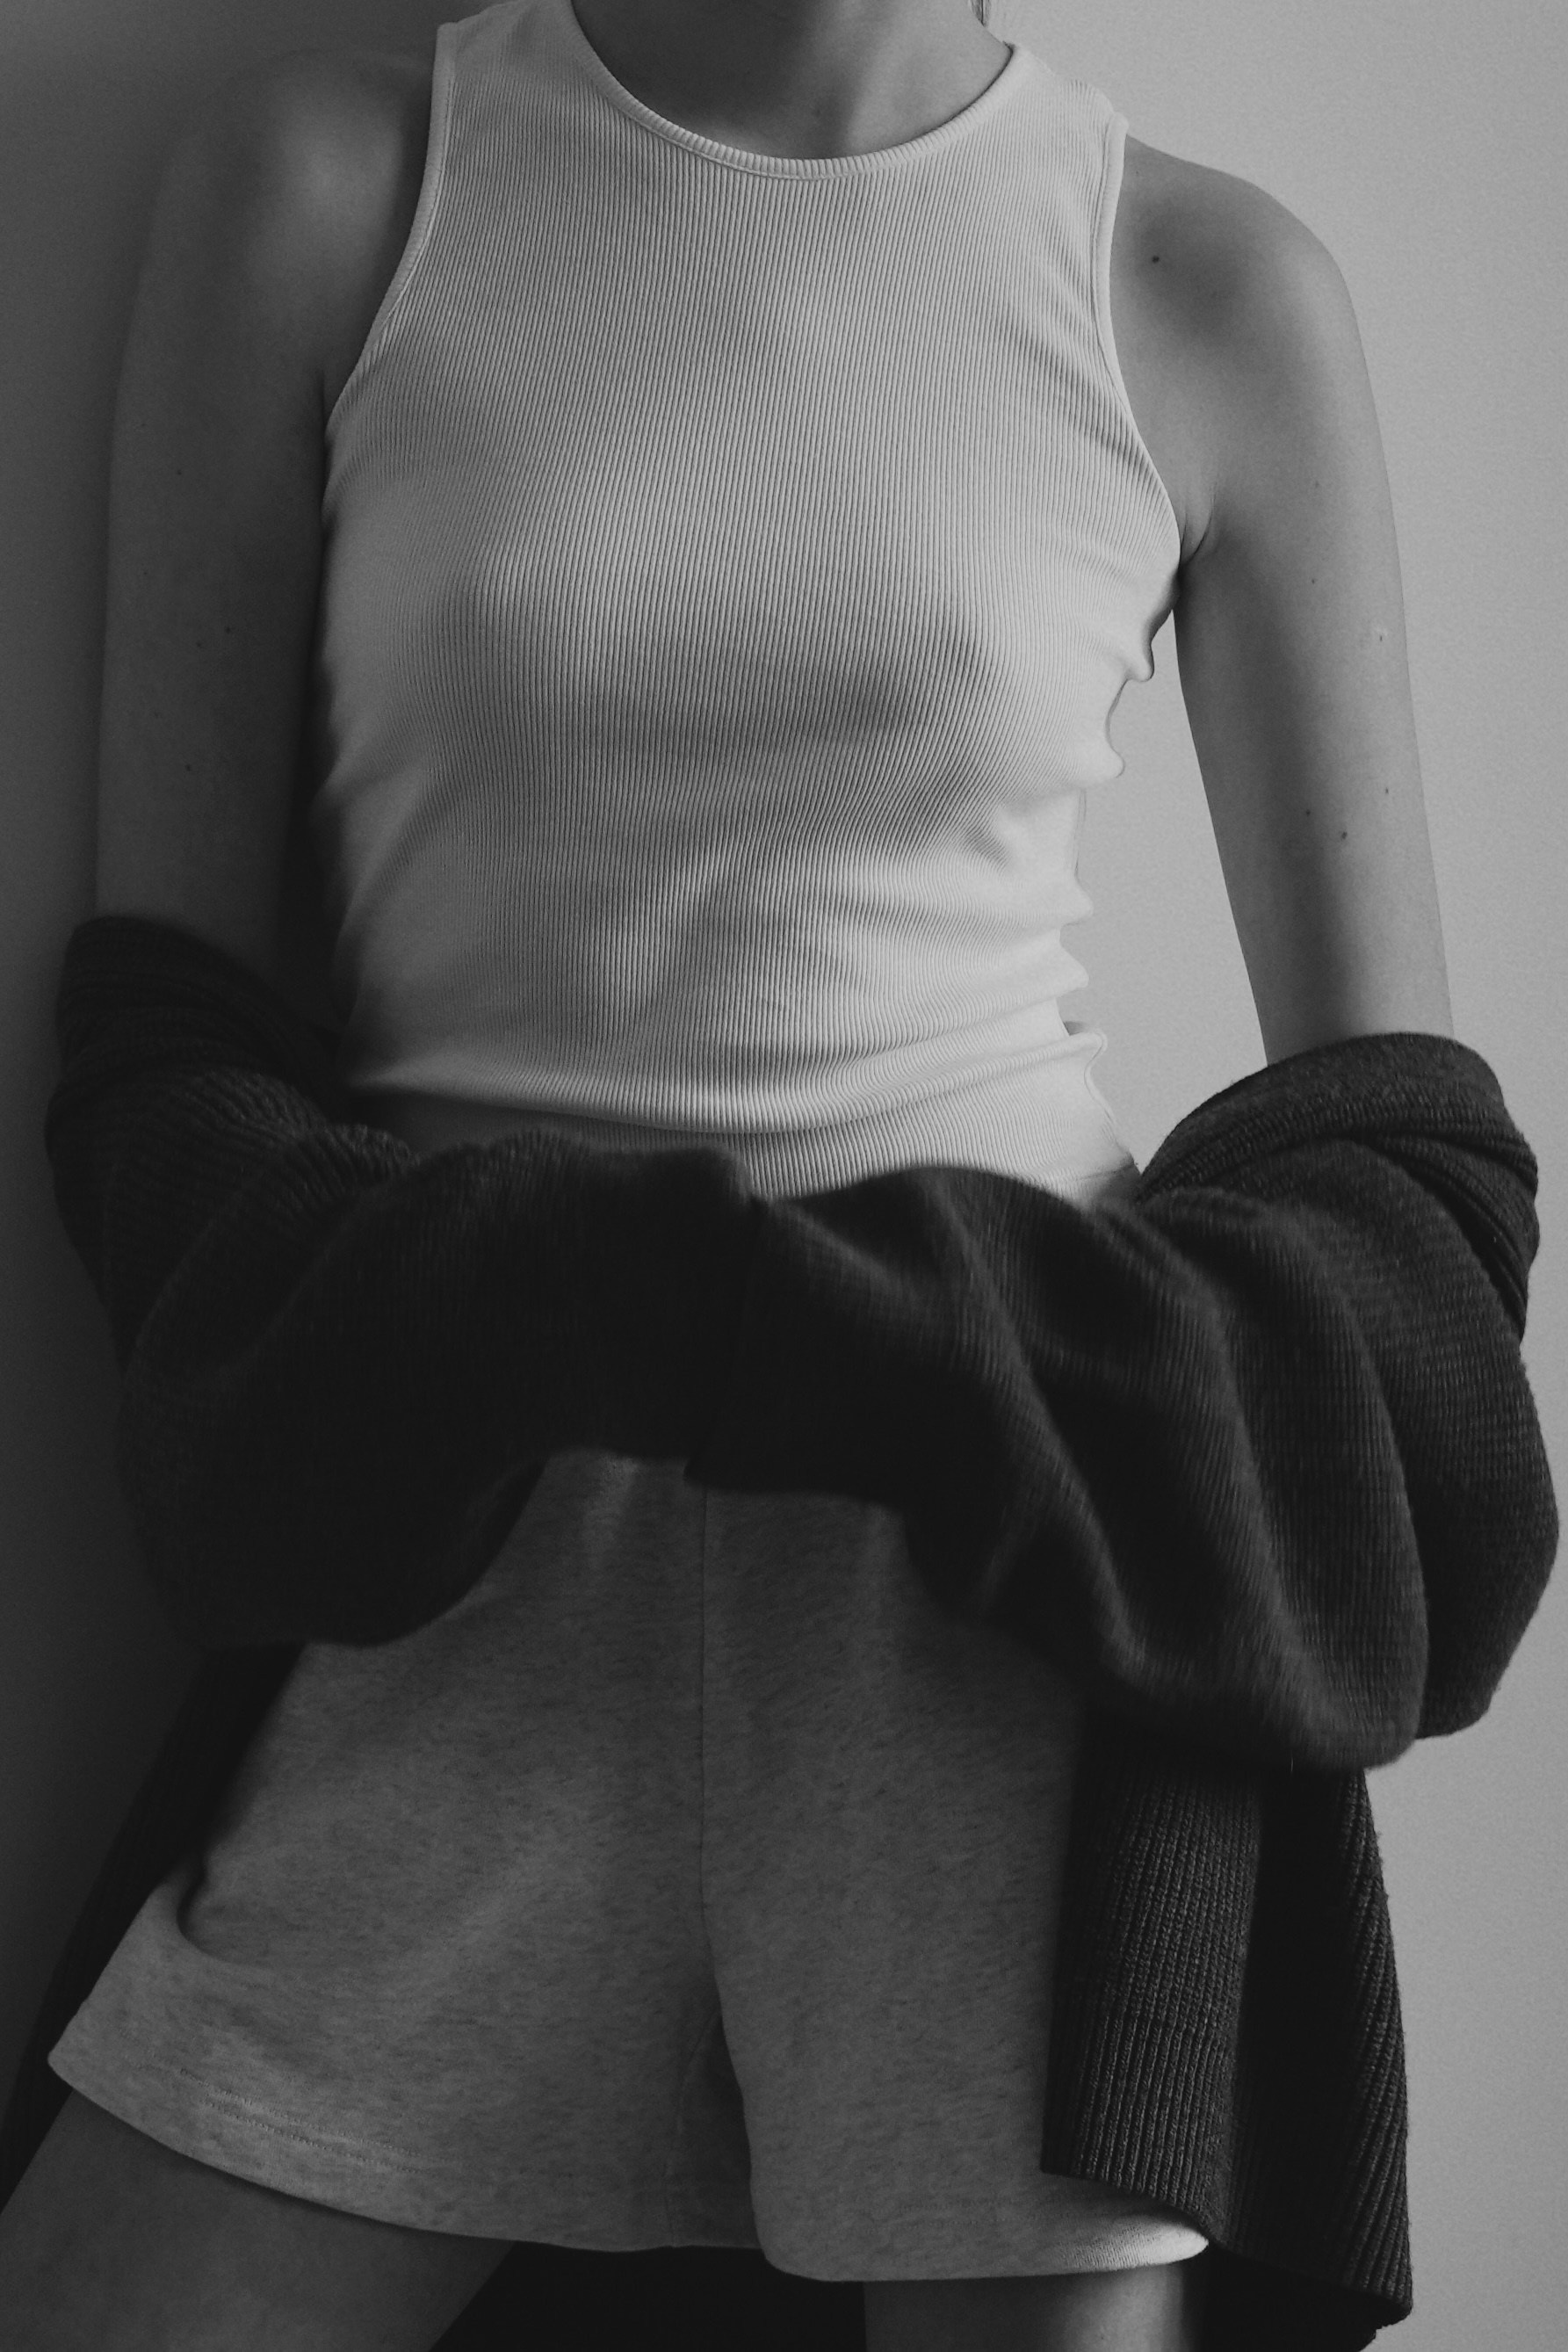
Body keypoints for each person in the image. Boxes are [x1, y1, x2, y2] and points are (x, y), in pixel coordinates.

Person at [0, 0, 1454, 2345]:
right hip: (472, 1544)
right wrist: (504, 1314)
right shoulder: (335, 179)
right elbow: (167, 1041)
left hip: (987, 1564)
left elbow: (1401, 1156)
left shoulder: (1207, 284)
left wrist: (1076, 1379)